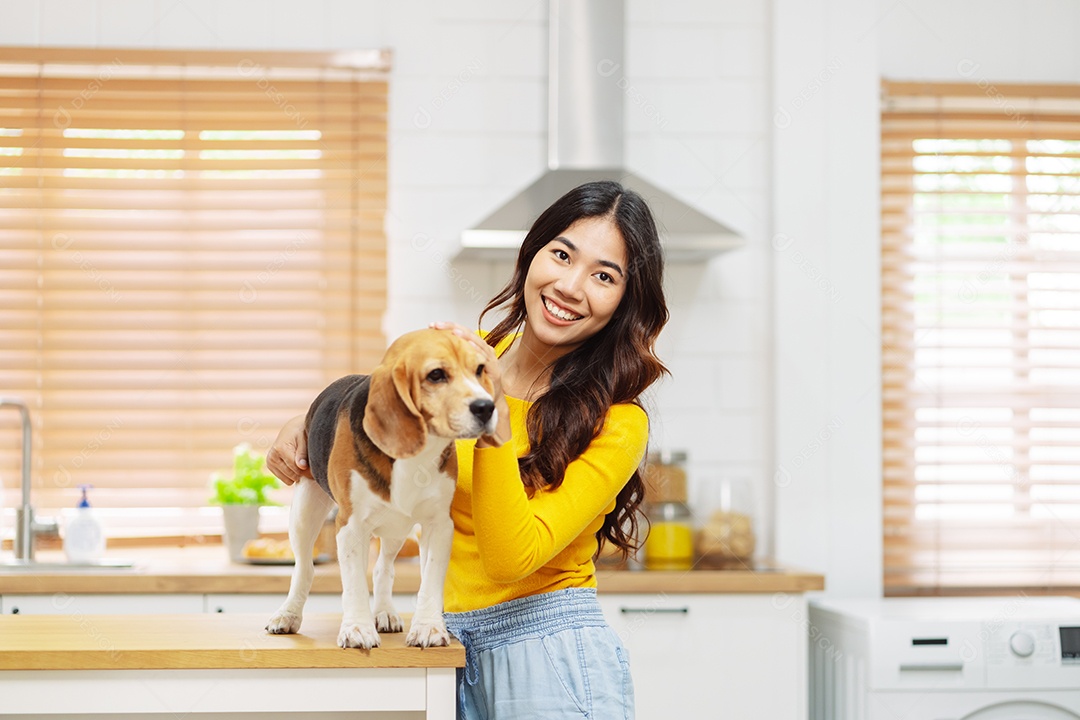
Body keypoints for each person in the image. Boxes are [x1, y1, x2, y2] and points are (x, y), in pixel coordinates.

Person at [266, 180, 669, 719]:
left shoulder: (618, 422)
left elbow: (509, 558)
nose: (571, 286)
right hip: (445, 645)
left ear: (625, 301)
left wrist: (494, 407)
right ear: (532, 254)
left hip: (550, 655)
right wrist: (309, 419)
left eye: (603, 275)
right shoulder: (473, 363)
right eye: (562, 254)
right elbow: (393, 424)